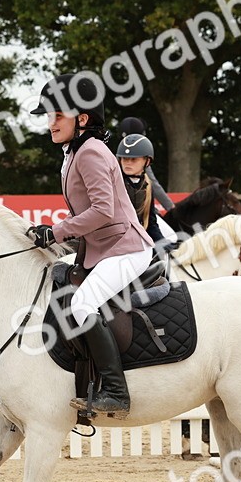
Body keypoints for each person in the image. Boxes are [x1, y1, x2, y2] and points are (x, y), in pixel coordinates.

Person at [28, 74, 155, 420]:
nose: (50, 123)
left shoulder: (91, 152)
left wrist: (56, 232)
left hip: (127, 249)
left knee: (82, 306)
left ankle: (115, 390)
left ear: (82, 119)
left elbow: (103, 211)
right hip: (103, 248)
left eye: (57, 116)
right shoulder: (74, 151)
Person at [115, 132, 179, 252]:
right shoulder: (113, 183)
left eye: (133, 159)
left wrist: (162, 242)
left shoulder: (147, 185)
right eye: (124, 158)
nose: (128, 162)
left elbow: (150, 222)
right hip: (114, 241)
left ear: (147, 162)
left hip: (136, 237)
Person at [117, 117, 174, 215]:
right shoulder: (140, 161)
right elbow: (154, 185)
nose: (129, 162)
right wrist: (172, 208)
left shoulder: (115, 157)